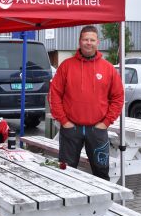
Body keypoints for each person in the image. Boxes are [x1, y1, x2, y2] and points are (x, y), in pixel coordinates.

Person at [49, 25, 124, 181]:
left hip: (97, 130)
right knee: (65, 171)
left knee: (101, 172)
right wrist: (63, 120)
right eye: (85, 39)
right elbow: (54, 94)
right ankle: (67, 204)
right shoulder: (66, 66)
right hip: (71, 129)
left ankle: (103, 205)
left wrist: (106, 122)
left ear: (98, 42)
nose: (88, 43)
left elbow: (118, 97)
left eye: (92, 40)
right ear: (79, 41)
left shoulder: (108, 69)